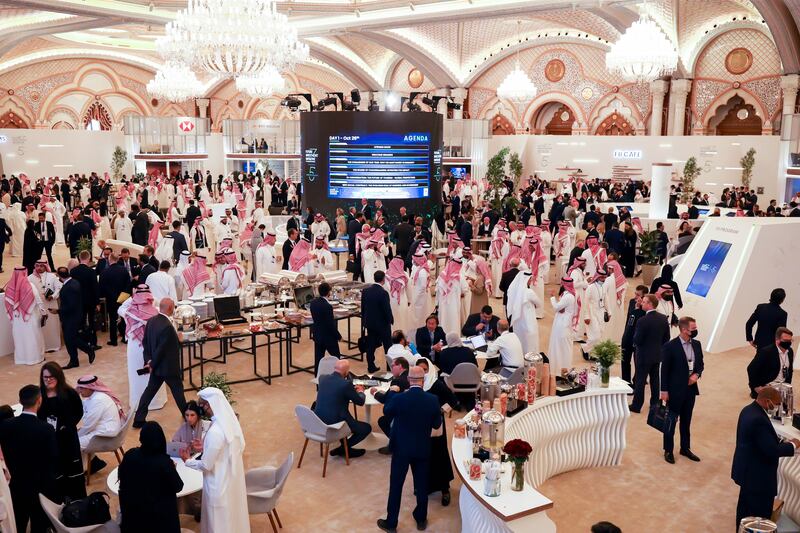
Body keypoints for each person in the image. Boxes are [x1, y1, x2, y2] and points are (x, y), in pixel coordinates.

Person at [377, 366, 442, 533]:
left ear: (408, 380)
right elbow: (436, 424)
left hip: (401, 449)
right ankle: (421, 519)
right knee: (421, 485)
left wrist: (392, 391)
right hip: (422, 448)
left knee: (396, 485)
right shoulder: (433, 399)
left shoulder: (399, 399)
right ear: (423, 380)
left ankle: (391, 523)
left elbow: (386, 411)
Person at [184, 387, 251, 533]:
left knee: (217, 525)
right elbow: (224, 449)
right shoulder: (229, 425)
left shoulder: (215, 431)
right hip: (229, 482)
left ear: (210, 405)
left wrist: (188, 460)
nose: (200, 408)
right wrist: (205, 447)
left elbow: (207, 465)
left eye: (202, 404)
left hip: (217, 487)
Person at [732, 386, 800, 526]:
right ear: (767, 401)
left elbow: (761, 441)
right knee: (759, 518)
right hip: (758, 479)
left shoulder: (748, 410)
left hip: (747, 473)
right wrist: (793, 445)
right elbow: (771, 450)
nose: (776, 407)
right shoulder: (759, 420)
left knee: (744, 511)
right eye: (776, 403)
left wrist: (780, 441)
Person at [0, 385, 58, 533]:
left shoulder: (5, 425)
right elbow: (52, 460)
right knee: (39, 525)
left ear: (20, 401)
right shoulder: (46, 429)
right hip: (39, 487)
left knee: (18, 523)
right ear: (39, 401)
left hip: (15, 485)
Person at [119, 421, 183, 533]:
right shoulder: (163, 462)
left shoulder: (129, 455)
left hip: (133, 518)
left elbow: (122, 477)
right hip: (159, 522)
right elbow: (178, 486)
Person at [133, 298, 188, 428]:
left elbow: (145, 343)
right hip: (168, 368)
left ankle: (138, 419)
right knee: (178, 392)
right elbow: (161, 350)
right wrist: (179, 340)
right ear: (170, 308)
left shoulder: (151, 321)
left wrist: (149, 361)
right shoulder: (168, 327)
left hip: (157, 368)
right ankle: (188, 416)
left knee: (149, 392)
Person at [37, 362, 86, 501]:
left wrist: (67, 426)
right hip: (49, 441)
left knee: (72, 470)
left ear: (58, 377)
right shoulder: (39, 395)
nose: (48, 380)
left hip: (68, 439)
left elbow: (78, 411)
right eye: (45, 377)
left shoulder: (69, 393)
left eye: (51, 377)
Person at [660, 316, 704, 464]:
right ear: (684, 330)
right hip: (674, 391)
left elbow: (700, 365)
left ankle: (685, 448)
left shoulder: (697, 344)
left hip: (690, 390)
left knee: (686, 420)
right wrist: (664, 391)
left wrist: (696, 375)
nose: (696, 330)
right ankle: (668, 450)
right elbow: (664, 370)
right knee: (671, 420)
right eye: (693, 328)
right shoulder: (670, 346)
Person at [415, 358, 457, 506]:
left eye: (425, 370)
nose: (423, 373)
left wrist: (440, 411)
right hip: (421, 427)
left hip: (436, 426)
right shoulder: (416, 385)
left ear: (430, 370)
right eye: (420, 370)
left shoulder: (437, 384)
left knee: (439, 454)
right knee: (424, 455)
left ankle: (445, 489)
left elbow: (453, 400)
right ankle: (428, 485)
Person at [119, 285, 167, 411]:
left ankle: (138, 401)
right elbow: (155, 300)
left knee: (137, 373)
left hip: (135, 346)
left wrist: (134, 296)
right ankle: (156, 401)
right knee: (154, 372)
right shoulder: (157, 311)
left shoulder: (128, 312)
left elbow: (120, 308)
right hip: (153, 345)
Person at [313, 359, 369, 458]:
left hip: (319, 419)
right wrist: (360, 391)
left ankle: (344, 448)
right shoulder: (346, 384)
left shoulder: (322, 378)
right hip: (337, 422)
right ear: (347, 372)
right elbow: (360, 402)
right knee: (366, 428)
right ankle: (343, 449)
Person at [629, 295, 670, 413]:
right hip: (657, 355)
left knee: (640, 381)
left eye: (645, 302)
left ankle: (637, 405)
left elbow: (637, 339)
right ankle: (654, 404)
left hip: (643, 356)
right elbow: (666, 338)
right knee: (655, 380)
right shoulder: (663, 318)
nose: (642, 303)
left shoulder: (642, 321)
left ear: (650, 304)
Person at [76, 375, 124, 472]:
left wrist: (75, 435)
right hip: (104, 429)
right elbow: (84, 405)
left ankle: (78, 470)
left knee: (71, 443)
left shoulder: (98, 400)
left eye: (81, 388)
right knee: (78, 436)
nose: (79, 391)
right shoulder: (95, 396)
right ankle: (91, 465)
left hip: (107, 435)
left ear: (90, 388)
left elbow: (88, 426)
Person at [4, 266, 45, 365]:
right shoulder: (30, 285)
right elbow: (38, 300)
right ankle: (34, 358)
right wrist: (44, 312)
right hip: (30, 317)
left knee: (20, 337)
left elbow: (8, 303)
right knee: (32, 337)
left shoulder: (9, 286)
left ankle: (21, 359)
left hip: (17, 318)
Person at [747, 327, 794, 398]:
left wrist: (788, 386)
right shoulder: (766, 352)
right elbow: (751, 369)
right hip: (768, 386)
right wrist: (755, 387)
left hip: (783, 386)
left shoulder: (790, 351)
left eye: (790, 340)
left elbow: (789, 371)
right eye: (785, 340)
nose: (789, 343)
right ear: (777, 340)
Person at [361, 271, 394, 373]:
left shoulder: (366, 291)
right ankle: (389, 367)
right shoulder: (383, 293)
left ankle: (371, 366)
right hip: (382, 324)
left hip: (370, 323)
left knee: (370, 345)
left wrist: (364, 320)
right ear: (383, 279)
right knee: (387, 346)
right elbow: (386, 309)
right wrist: (391, 320)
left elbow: (363, 308)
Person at [28, 256, 62, 352]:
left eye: (42, 266)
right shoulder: (30, 278)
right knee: (42, 326)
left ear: (45, 266)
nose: (39, 268)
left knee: (53, 326)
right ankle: (44, 347)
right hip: (39, 307)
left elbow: (59, 288)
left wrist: (53, 296)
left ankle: (54, 345)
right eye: (37, 266)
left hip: (51, 305)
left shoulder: (52, 276)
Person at [375, 357, 411, 445]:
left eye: (392, 366)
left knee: (382, 420)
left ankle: (396, 443)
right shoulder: (411, 377)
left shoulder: (397, 381)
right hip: (411, 413)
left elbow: (385, 399)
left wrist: (375, 392)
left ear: (400, 366)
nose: (391, 369)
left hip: (398, 416)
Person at [505, 271, 542, 355]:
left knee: (520, 341)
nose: (530, 281)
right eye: (530, 279)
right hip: (529, 322)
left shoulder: (514, 291)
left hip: (518, 322)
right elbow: (539, 304)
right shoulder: (529, 292)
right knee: (530, 343)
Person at [70, 250, 100, 350]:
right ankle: (93, 343)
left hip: (78, 301)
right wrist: (97, 302)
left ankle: (83, 342)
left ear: (79, 258)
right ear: (88, 258)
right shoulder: (91, 271)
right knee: (92, 322)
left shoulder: (73, 271)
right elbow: (95, 288)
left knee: (81, 322)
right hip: (90, 301)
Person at [309, 282, 341, 373]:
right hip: (328, 337)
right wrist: (338, 336)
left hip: (318, 335)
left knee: (318, 360)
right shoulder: (327, 306)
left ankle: (317, 380)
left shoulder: (313, 303)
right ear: (328, 292)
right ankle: (338, 377)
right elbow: (330, 324)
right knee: (336, 358)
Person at [99, 252, 130, 346]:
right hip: (122, 298)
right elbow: (128, 285)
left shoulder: (105, 272)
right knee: (124, 317)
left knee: (112, 319)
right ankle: (125, 338)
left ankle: (113, 340)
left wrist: (107, 296)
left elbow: (102, 287)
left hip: (111, 299)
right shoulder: (124, 270)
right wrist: (123, 297)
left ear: (109, 259)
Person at [548, 277, 578, 373]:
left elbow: (556, 308)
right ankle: (556, 368)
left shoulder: (569, 296)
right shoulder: (566, 295)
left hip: (563, 325)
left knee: (563, 347)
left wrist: (552, 297)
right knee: (558, 346)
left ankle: (562, 370)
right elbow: (561, 308)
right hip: (561, 322)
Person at [620, 285, 648, 385]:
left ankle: (637, 381)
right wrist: (625, 333)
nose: (635, 296)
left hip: (639, 339)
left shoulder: (646, 308)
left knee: (638, 362)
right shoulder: (632, 302)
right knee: (625, 360)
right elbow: (629, 320)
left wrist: (638, 309)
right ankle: (626, 382)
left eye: (638, 295)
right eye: (635, 294)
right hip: (628, 335)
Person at [436, 258, 468, 337]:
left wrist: (437, 303)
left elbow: (437, 291)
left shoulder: (441, 275)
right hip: (454, 305)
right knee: (453, 322)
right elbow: (465, 289)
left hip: (443, 305)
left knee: (443, 321)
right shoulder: (460, 277)